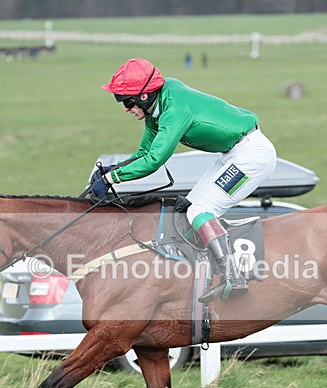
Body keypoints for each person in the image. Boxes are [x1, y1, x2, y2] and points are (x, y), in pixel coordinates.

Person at [91, 58, 277, 303]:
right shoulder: (157, 106)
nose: (126, 108)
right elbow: (144, 153)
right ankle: (207, 273)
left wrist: (113, 179)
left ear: (145, 96)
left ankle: (233, 276)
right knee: (189, 210)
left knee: (201, 210)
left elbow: (155, 160)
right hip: (234, 153)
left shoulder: (174, 109)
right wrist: (112, 171)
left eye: (127, 101)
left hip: (252, 156)